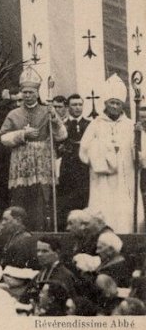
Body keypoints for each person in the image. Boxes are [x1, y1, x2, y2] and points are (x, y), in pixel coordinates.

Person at [0, 66, 67, 231]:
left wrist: (55, 120)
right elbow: (3, 138)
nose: (28, 95)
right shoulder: (13, 114)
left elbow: (62, 135)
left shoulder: (47, 111)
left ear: (37, 93)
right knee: (20, 200)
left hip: (42, 162)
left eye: (31, 92)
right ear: (21, 93)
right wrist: (22, 135)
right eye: (25, 92)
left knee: (41, 201)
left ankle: (41, 232)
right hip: (21, 163)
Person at [81, 75, 141, 233]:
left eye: (118, 103)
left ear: (122, 106)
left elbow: (141, 154)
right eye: (112, 103)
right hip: (102, 180)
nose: (115, 106)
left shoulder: (130, 126)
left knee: (125, 214)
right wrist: (104, 151)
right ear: (105, 104)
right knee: (104, 211)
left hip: (125, 178)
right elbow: (84, 150)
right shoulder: (95, 125)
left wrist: (138, 149)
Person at [56, 94, 91, 229]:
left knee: (85, 198)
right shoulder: (62, 126)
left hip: (84, 169)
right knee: (66, 201)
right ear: (67, 107)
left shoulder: (89, 124)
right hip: (68, 168)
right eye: (74, 105)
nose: (77, 108)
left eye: (79, 104)